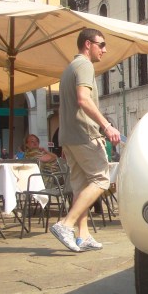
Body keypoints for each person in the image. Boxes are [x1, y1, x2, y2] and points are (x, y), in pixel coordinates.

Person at [49, 28, 121, 252]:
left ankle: (83, 235)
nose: (104, 50)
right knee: (101, 180)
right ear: (88, 44)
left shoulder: (69, 69)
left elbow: (67, 105)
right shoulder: (84, 65)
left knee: (80, 187)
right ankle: (65, 224)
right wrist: (106, 125)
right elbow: (83, 99)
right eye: (101, 44)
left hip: (69, 137)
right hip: (84, 134)